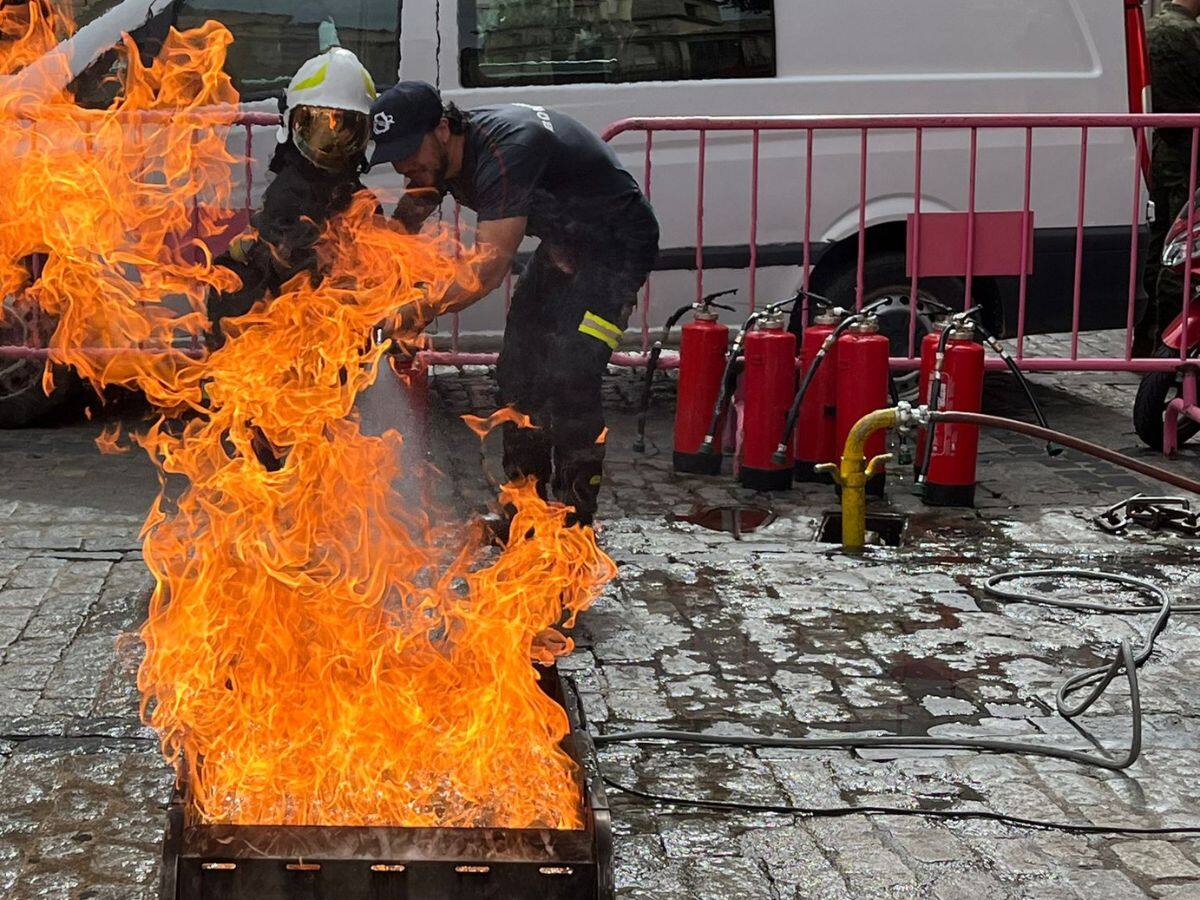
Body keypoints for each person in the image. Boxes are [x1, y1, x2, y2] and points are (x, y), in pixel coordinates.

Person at [368, 82, 660, 529]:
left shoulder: (507, 151)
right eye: (395, 157)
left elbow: (485, 271)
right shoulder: (437, 159)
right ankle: (523, 512)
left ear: (443, 129)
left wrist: (412, 312)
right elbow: (404, 224)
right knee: (516, 372)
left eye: (410, 152)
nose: (406, 165)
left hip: (617, 247)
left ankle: (572, 522)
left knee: (570, 374)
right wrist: (367, 278)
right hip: (564, 246)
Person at [206, 47, 376, 348]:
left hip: (329, 344)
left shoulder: (358, 198)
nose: (330, 145)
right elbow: (289, 271)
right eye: (319, 128)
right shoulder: (288, 194)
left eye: (344, 130)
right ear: (293, 122)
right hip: (274, 341)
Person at [1138, 0, 1200, 357]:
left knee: (1161, 241)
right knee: (1184, 247)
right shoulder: (1189, 34)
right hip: (1189, 151)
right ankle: (1174, 339)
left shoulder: (1149, 30)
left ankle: (1148, 335)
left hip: (1163, 147)